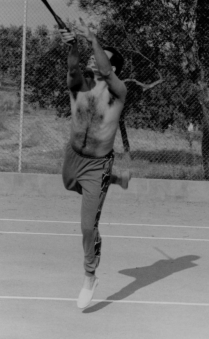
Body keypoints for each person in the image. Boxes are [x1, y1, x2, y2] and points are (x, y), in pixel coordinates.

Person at [60, 18, 131, 309]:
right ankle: (114, 178)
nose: (94, 60)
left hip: (96, 165)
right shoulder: (80, 85)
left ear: (113, 69)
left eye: (100, 57)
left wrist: (91, 39)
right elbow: (72, 67)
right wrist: (74, 45)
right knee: (67, 183)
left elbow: (103, 67)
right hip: (73, 157)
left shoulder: (118, 92)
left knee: (88, 227)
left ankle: (90, 276)